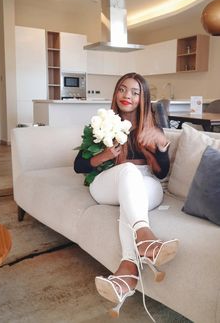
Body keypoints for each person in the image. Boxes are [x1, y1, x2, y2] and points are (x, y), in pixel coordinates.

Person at [74, 72, 179, 319]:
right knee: (128, 172)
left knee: (131, 202)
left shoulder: (153, 128)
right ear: (115, 93)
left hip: (146, 183)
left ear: (143, 98)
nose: (127, 96)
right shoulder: (100, 124)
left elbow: (161, 174)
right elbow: (79, 165)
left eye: (134, 92)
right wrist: (106, 155)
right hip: (109, 180)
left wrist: (160, 148)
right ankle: (146, 237)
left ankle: (127, 272)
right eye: (122, 89)